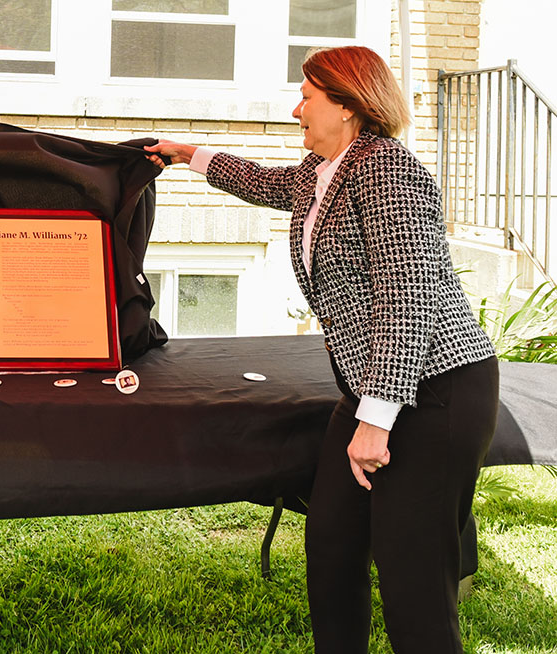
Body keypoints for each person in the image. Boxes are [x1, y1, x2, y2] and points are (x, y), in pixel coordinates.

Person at [145, 46, 498, 653]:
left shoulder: (388, 171)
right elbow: (264, 182)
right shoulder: (324, 169)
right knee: (332, 544)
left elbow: (407, 298)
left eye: (307, 97)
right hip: (371, 388)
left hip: (436, 389)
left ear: (347, 105)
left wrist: (376, 422)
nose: (296, 109)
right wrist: (188, 154)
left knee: (412, 575)